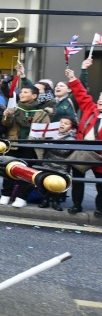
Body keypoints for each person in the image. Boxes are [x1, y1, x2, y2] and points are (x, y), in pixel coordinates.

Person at [63, 62, 102, 216]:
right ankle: (76, 205)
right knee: (77, 180)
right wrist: (73, 78)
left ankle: (100, 209)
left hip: (99, 154)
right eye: (99, 98)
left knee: (101, 184)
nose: (99, 100)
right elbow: (80, 93)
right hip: (82, 150)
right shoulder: (90, 108)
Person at [1, 85, 50, 207]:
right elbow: (6, 124)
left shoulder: (41, 113)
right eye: (21, 92)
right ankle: (5, 194)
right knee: (9, 171)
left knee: (27, 174)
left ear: (34, 96)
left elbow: (45, 131)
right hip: (14, 145)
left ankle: (21, 197)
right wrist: (7, 115)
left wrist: (36, 137)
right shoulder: (14, 109)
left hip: (30, 147)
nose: (21, 94)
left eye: (25, 92)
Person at [38, 115, 76, 211]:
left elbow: (64, 151)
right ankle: (45, 200)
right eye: (61, 122)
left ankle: (56, 201)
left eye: (66, 123)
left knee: (58, 184)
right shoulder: (51, 134)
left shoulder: (71, 139)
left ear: (71, 127)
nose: (62, 125)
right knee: (45, 181)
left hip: (61, 165)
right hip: (48, 162)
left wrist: (51, 144)